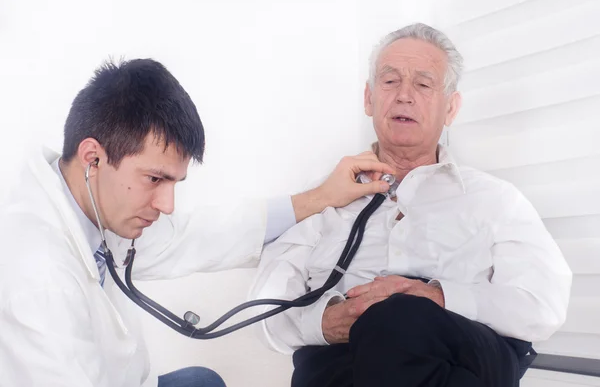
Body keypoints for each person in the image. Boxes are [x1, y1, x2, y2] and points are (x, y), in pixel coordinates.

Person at [0, 59, 395, 387]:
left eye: (174, 182)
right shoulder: (35, 272)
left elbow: (198, 235)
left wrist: (321, 198)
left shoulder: (94, 209)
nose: (167, 205)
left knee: (200, 382)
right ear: (93, 158)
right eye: (155, 179)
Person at [249, 23, 573, 387]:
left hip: (463, 353)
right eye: (390, 82)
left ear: (450, 107)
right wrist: (323, 322)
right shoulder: (321, 197)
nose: (404, 95)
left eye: (423, 84)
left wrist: (436, 297)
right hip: (346, 362)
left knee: (396, 319)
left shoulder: (496, 199)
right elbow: (262, 310)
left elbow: (543, 306)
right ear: (369, 98)